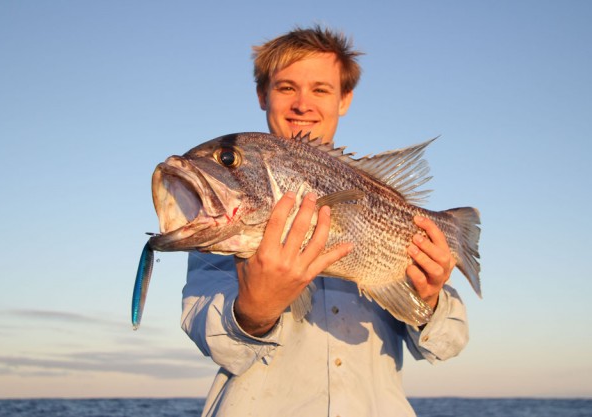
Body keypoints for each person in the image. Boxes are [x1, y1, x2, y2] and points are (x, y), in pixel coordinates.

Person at [181, 26, 469, 417]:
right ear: (262, 95)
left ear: (344, 99)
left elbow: (445, 345)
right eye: (286, 88)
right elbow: (217, 343)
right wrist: (255, 309)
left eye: (320, 89)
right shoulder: (227, 225)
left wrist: (430, 296)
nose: (303, 104)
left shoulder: (370, 189)